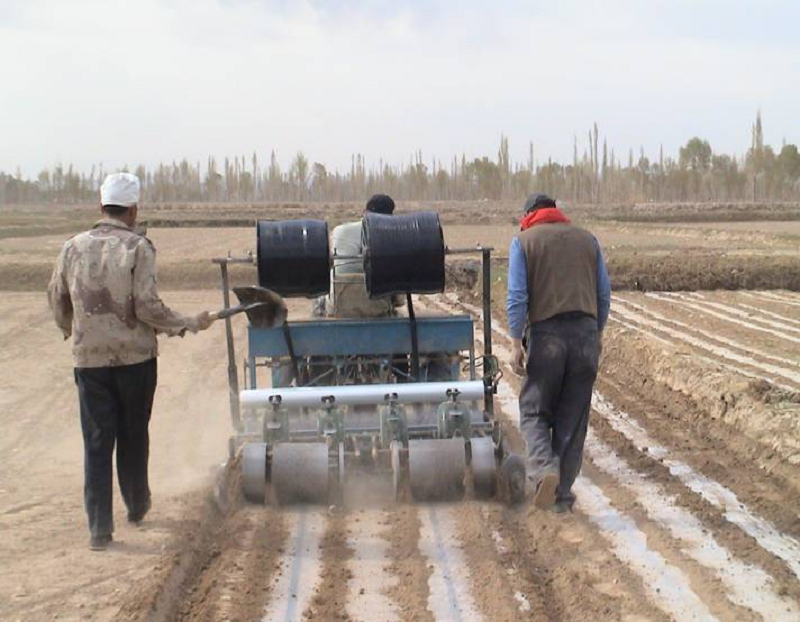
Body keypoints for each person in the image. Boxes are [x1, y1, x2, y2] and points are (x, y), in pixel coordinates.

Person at [47, 172, 214, 550]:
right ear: (133, 210)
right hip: (136, 361)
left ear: (100, 205)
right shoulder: (139, 247)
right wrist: (184, 323)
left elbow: (57, 297)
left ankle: (99, 530)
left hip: (89, 362)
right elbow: (147, 306)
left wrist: (73, 330)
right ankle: (137, 505)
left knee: (96, 440)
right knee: (133, 433)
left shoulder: (71, 247)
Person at [506, 193, 611, 513]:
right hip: (585, 336)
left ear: (529, 215)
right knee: (572, 418)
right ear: (555, 212)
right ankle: (561, 496)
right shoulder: (587, 240)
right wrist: (598, 332)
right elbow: (603, 294)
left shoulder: (524, 242)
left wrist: (514, 342)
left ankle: (545, 470)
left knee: (535, 411)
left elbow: (517, 297)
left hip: (547, 335)